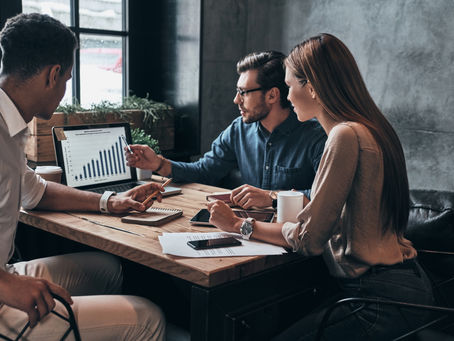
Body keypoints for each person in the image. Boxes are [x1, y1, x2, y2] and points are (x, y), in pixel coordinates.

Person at [207, 33, 434, 340]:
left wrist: (237, 225)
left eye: (289, 86)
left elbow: (309, 239)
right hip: (405, 286)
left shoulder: (344, 136)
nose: (286, 97)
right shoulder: (372, 128)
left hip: (378, 299)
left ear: (311, 87)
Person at [0, 13, 165, 340]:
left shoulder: (11, 126)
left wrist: (111, 202)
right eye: (68, 80)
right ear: (53, 74)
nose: (65, 89)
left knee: (109, 268)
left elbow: (36, 193)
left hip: (5, 274)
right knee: (149, 317)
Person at [126, 51, 326, 209]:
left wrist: (271, 197)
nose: (236, 100)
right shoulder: (238, 130)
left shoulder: (316, 136)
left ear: (272, 95)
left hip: (294, 241)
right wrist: (158, 163)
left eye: (243, 93)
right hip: (247, 231)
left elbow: (323, 198)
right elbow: (205, 172)